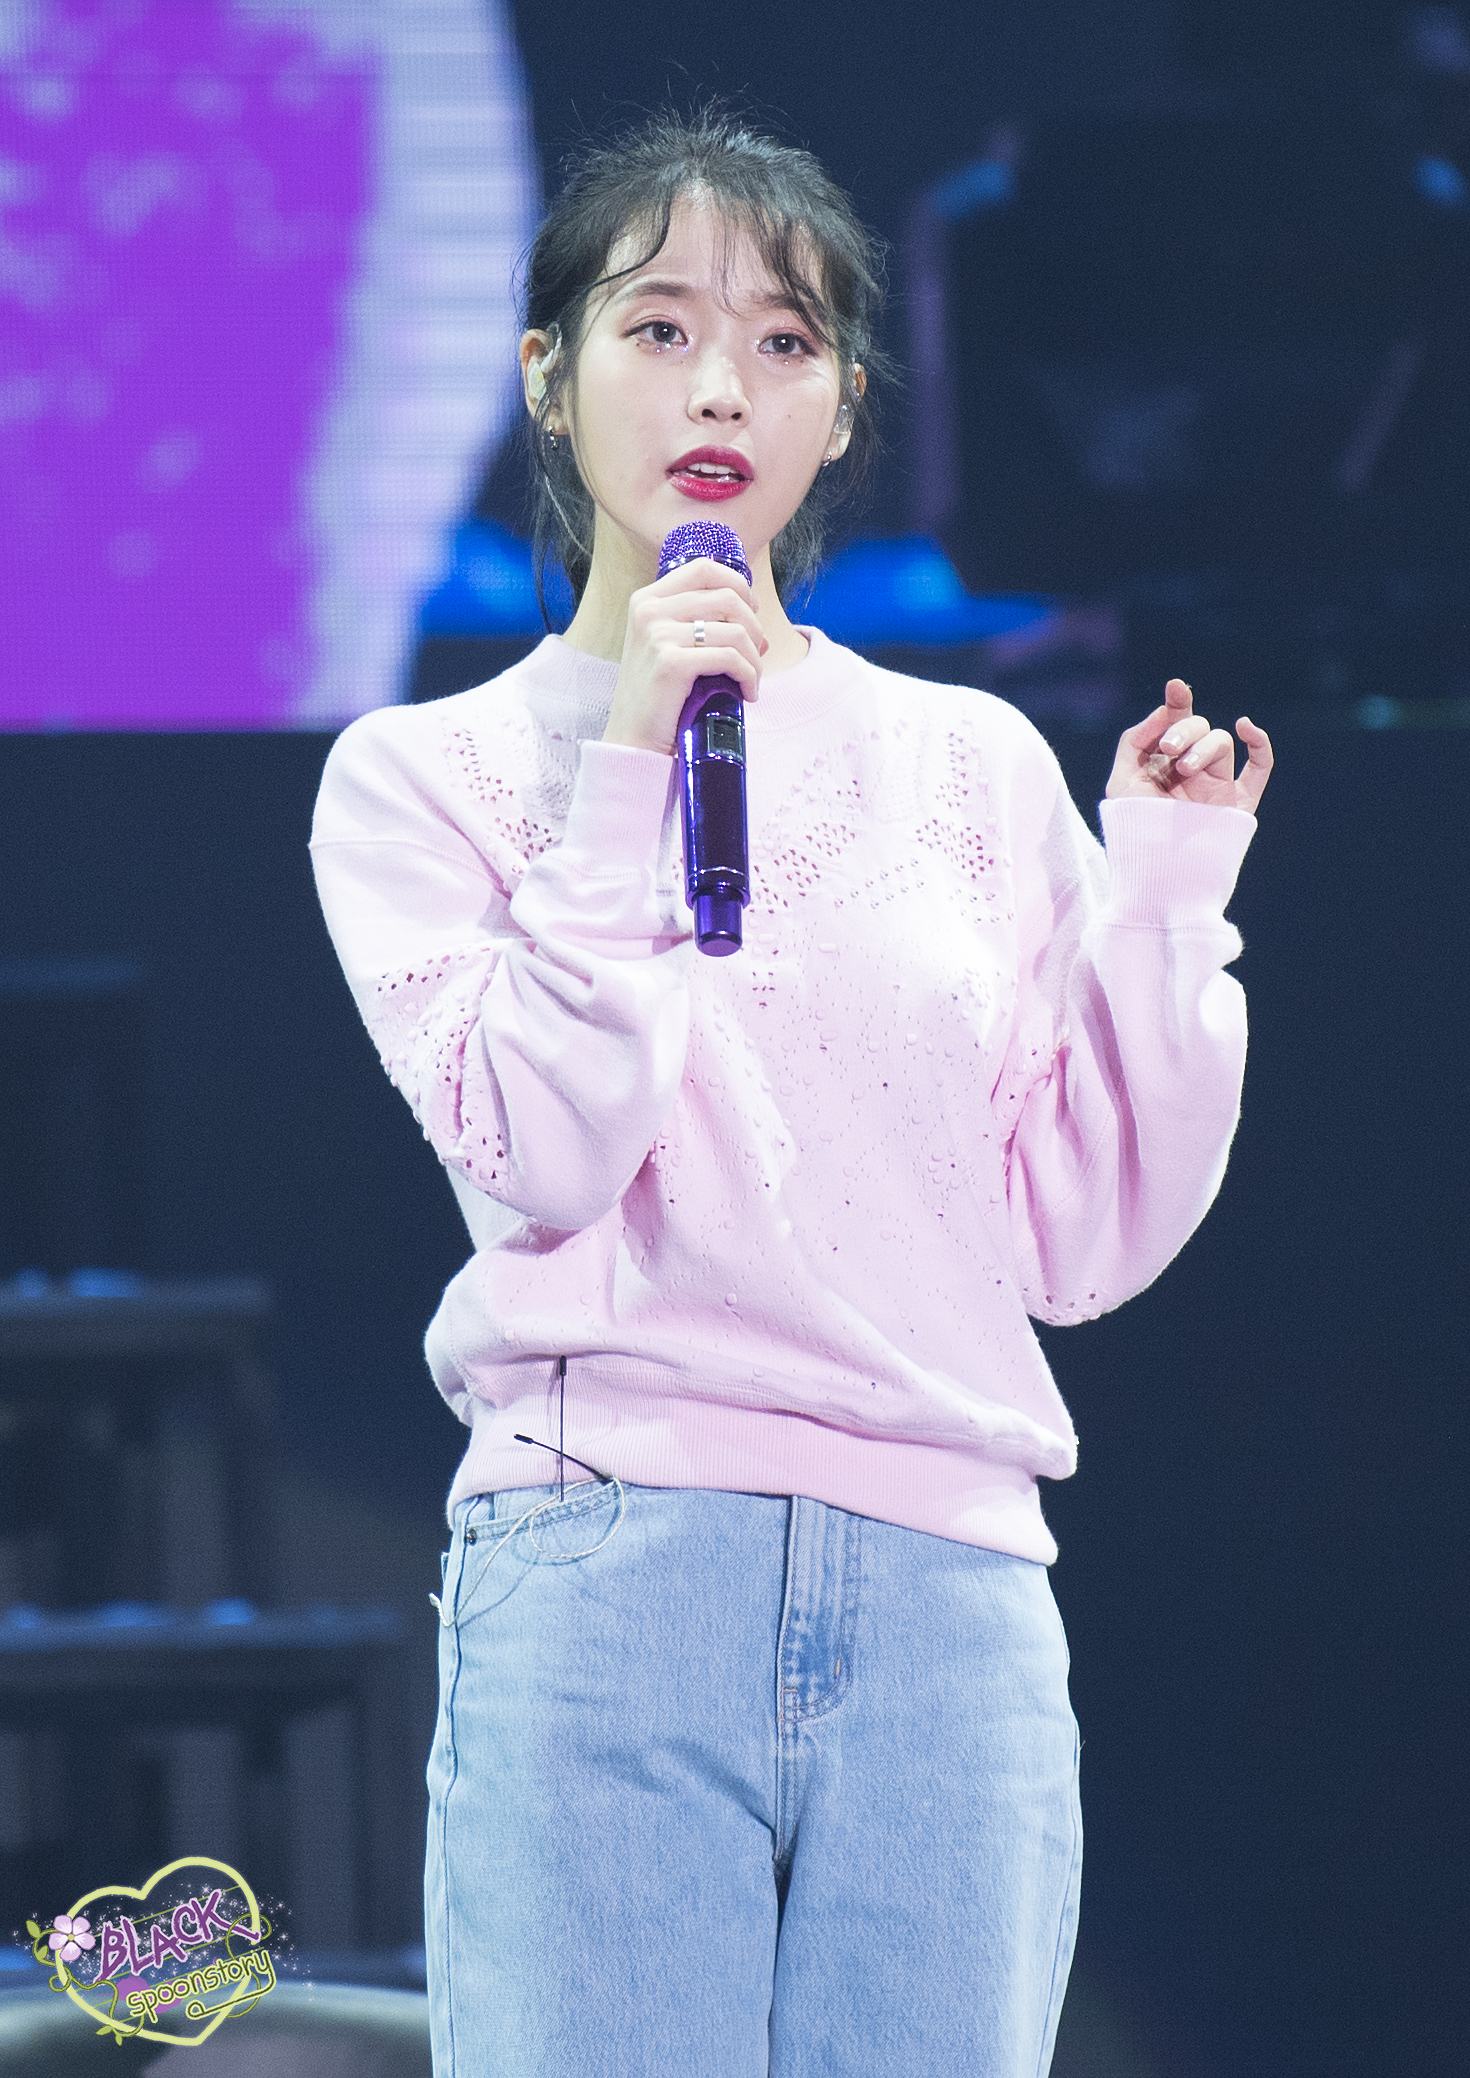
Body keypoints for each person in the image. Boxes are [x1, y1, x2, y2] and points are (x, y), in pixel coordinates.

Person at [311, 108, 1272, 2078]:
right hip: (606, 1571)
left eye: (784, 340)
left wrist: (1168, 898)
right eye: (660, 327)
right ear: (546, 374)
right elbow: (548, 1149)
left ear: (839, 412)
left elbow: (1080, 1235)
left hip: (947, 1598)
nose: (720, 387)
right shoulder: (420, 780)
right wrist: (635, 756)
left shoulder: (968, 760)